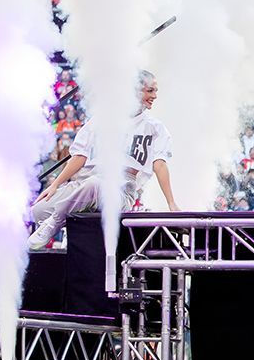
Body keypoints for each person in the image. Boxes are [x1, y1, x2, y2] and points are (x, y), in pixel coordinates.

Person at [29, 70, 178, 249]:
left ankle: (56, 222)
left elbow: (160, 165)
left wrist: (171, 202)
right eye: (150, 90)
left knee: (95, 185)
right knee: (38, 210)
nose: (155, 96)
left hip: (121, 189)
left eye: (155, 91)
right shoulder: (102, 120)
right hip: (85, 182)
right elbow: (79, 157)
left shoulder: (154, 127)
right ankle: (70, 223)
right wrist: (54, 185)